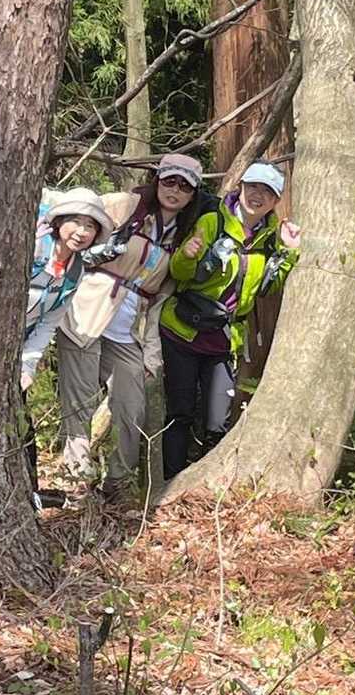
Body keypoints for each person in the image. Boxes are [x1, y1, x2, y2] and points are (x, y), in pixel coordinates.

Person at [54, 153, 204, 501]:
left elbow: (161, 298)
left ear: (193, 194)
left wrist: (151, 353)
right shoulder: (126, 206)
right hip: (86, 316)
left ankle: (117, 483)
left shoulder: (183, 234)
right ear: (157, 180)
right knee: (79, 404)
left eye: (184, 186)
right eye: (169, 181)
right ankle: (76, 483)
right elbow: (77, 219)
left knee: (131, 408)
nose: (175, 190)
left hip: (128, 331)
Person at [158, 160, 302, 480]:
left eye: (267, 192)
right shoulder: (213, 222)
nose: (257, 196)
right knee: (180, 412)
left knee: (217, 422)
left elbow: (268, 288)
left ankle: (205, 486)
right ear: (241, 188)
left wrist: (289, 253)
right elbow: (180, 273)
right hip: (183, 331)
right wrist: (188, 255)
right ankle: (169, 483)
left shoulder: (270, 239)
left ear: (275, 201)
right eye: (253, 187)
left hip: (224, 339)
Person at [20, 186, 113, 507]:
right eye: (76, 221)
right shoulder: (33, 246)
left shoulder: (75, 271)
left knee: (22, 426)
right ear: (59, 221)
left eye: (90, 226)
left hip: (19, 350)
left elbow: (49, 321)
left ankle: (29, 494)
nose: (82, 232)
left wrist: (27, 364)